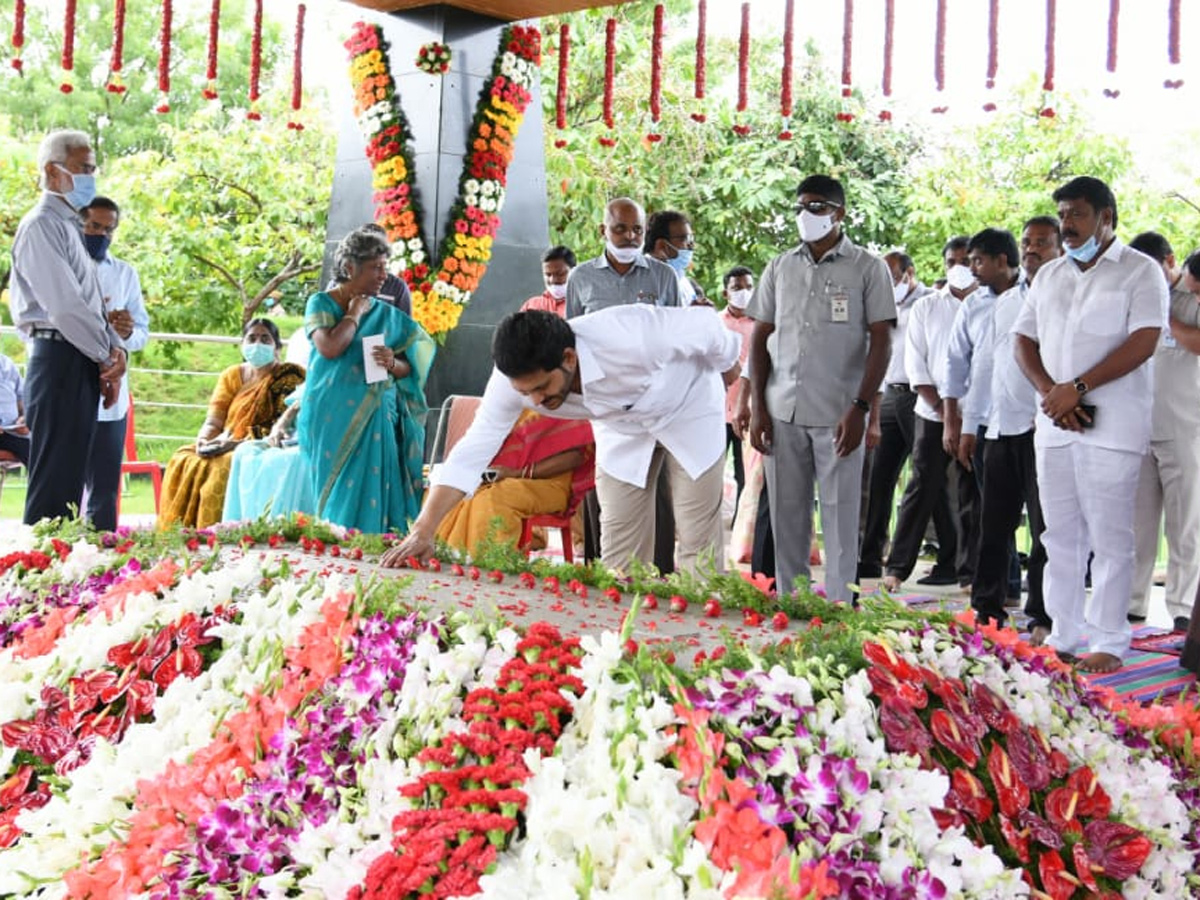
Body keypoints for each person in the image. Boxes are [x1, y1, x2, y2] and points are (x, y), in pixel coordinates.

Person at [381, 306, 741, 575]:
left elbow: (708, 326)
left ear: (568, 358)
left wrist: (730, 366)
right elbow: (475, 448)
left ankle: (704, 652)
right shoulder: (512, 383)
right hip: (621, 430)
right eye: (526, 393)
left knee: (698, 542)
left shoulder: (636, 336)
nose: (535, 402)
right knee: (619, 552)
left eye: (541, 388)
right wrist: (423, 531)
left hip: (688, 410)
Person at [1013, 175, 1167, 674]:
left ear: (1107, 217)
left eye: (1077, 213)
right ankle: (1064, 634)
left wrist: (1075, 388)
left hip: (1114, 425)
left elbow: (1144, 340)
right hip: (1055, 425)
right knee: (1058, 536)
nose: (1067, 224)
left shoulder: (1140, 272)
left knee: (1110, 536)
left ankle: (1109, 640)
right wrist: (1051, 394)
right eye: (1062, 215)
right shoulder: (1051, 275)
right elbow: (1023, 340)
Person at [746, 174, 895, 602]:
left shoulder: (868, 267)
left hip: (839, 413)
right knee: (787, 515)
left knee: (840, 515)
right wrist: (757, 408)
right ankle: (793, 603)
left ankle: (840, 605)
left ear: (838, 213)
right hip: (782, 410)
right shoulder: (780, 266)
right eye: (800, 207)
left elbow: (882, 339)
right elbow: (760, 337)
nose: (805, 216)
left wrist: (861, 407)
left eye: (816, 207)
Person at [8, 129, 127, 526]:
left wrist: (114, 351)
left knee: (70, 482)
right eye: (83, 169)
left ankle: (59, 576)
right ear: (52, 171)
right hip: (59, 357)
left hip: (79, 357)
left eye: (93, 169)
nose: (91, 177)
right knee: (54, 490)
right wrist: (105, 355)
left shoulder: (71, 227)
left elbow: (93, 305)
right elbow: (65, 307)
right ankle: (35, 579)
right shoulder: (42, 225)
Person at [565, 198, 681, 572]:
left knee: (657, 488)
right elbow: (573, 341)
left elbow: (674, 336)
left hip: (654, 400)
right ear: (604, 230)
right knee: (608, 487)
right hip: (604, 403)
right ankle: (608, 570)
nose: (630, 237)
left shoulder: (663, 276)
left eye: (637, 230)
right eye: (620, 229)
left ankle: (660, 573)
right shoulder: (580, 277)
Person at [298, 227, 435, 533]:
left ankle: (374, 546)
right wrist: (355, 313)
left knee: (377, 487)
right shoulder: (320, 303)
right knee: (336, 491)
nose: (383, 276)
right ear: (349, 268)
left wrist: (392, 361)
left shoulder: (386, 314)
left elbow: (410, 367)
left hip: (376, 413)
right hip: (331, 413)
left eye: (385, 268)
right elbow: (331, 347)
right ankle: (335, 546)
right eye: (376, 268)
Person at [881, 237, 975, 593]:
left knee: (971, 494)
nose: (960, 266)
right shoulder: (928, 307)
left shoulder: (988, 304)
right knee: (921, 488)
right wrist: (944, 410)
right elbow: (915, 364)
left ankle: (969, 573)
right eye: (953, 260)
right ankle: (896, 569)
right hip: (931, 411)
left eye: (967, 260)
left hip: (977, 414)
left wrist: (968, 414)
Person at [159, 319, 304, 529]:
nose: (257, 344)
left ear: (277, 347)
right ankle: (177, 535)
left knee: (221, 468)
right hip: (223, 440)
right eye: (252, 338)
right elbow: (214, 419)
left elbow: (278, 427)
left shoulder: (288, 376)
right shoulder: (232, 375)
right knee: (183, 458)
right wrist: (204, 440)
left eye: (265, 339)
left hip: (259, 444)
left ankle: (213, 535)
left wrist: (234, 443)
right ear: (242, 344)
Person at [1127, 233, 1200, 633]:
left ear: (1169, 261)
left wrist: (1167, 320)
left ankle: (1182, 607)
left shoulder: (1191, 297)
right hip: (1139, 429)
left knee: (1184, 526)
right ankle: (1133, 603)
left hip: (1185, 427)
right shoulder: (1133, 297)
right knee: (1137, 526)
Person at [857, 251, 945, 579]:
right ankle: (869, 556)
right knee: (879, 478)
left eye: (892, 276)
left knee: (927, 479)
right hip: (889, 394)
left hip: (922, 396)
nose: (887, 283)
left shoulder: (932, 302)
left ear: (909, 273)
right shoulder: (877, 304)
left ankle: (946, 558)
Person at [79, 196, 151, 532]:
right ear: (79, 224)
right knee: (63, 483)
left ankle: (100, 561)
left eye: (109, 229)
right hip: (70, 384)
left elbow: (141, 333)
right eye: (94, 226)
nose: (101, 235)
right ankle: (53, 559)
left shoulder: (124, 273)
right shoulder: (63, 269)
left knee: (105, 490)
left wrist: (126, 331)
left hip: (111, 394)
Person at [436, 411, 595, 553]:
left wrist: (519, 473)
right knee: (456, 494)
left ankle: (492, 563)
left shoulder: (562, 402)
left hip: (552, 485)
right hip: (506, 477)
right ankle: (454, 557)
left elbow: (575, 457)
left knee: (496, 497)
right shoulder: (509, 400)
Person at [221, 385, 316, 522]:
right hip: (292, 438)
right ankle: (245, 526)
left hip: (317, 445)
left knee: (292, 459)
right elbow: (296, 405)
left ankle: (286, 527)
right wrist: (280, 426)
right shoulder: (318, 373)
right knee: (245, 451)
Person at [719, 265, 756, 507]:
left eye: (749, 287)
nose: (743, 292)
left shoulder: (764, 324)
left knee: (747, 476)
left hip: (750, 412)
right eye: (737, 288)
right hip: (718, 411)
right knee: (711, 474)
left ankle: (741, 531)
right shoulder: (715, 323)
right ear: (725, 293)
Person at [644, 210, 704, 305]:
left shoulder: (684, 282)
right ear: (662, 245)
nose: (691, 245)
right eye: (685, 239)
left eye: (691, 238)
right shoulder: (644, 281)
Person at [521, 245, 576, 316]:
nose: (553, 280)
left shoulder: (584, 304)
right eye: (548, 274)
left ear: (574, 272)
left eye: (560, 274)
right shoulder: (531, 306)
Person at [0, 353, 29, 466]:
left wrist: (24, 418)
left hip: (11, 432)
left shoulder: (6, 363)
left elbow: (22, 397)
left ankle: (53, 483)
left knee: (40, 449)